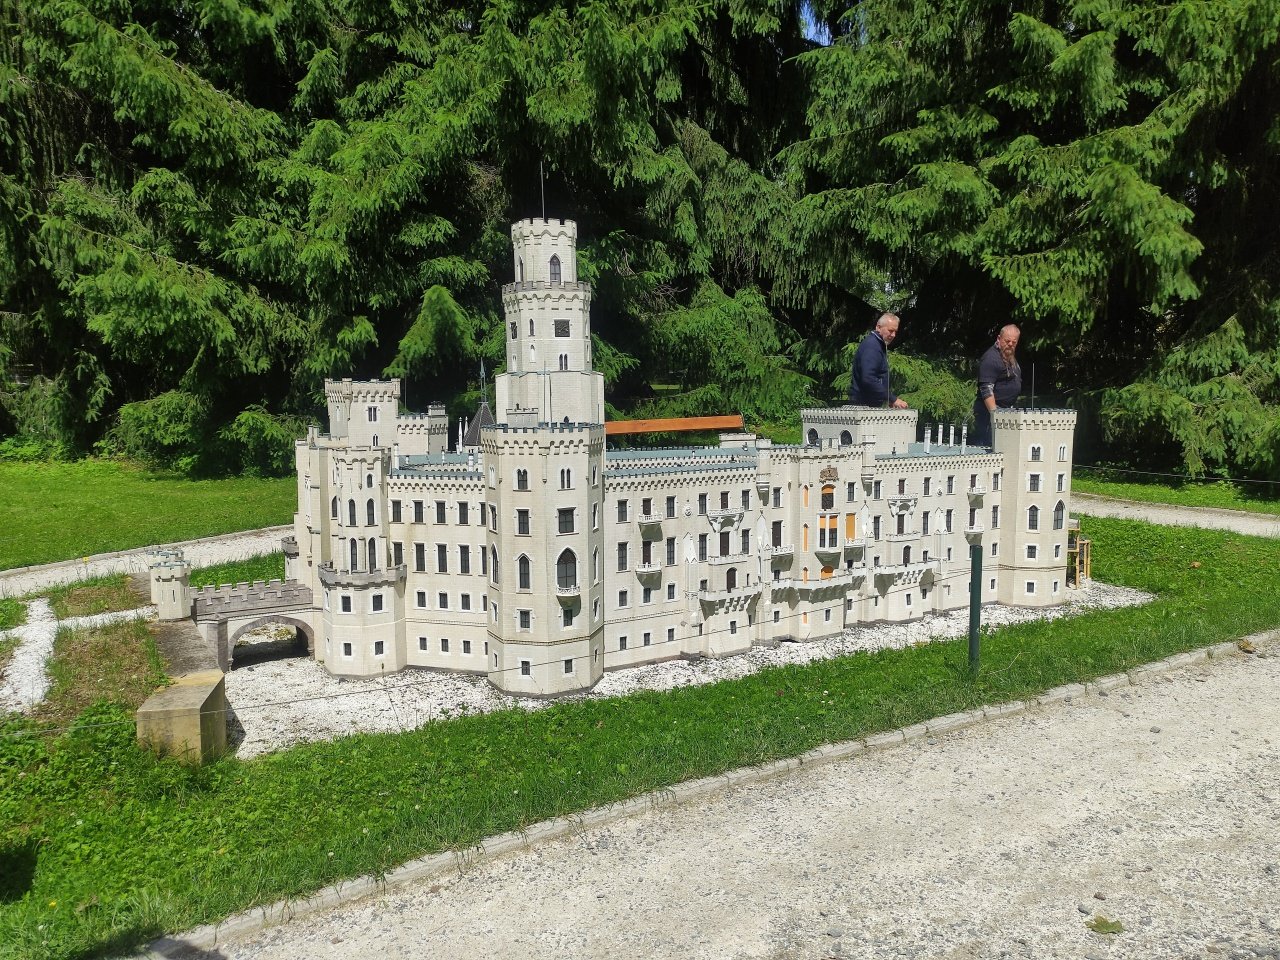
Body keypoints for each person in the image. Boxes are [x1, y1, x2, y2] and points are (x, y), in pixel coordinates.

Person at [972, 324, 1022, 446]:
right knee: (989, 450)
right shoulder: (991, 359)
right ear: (999, 339)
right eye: (1007, 341)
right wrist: (996, 417)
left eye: (1014, 342)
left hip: (1005, 411)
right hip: (989, 416)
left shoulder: (1008, 355)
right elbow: (986, 390)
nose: (1010, 344)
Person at [848, 312, 908, 409]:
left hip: (868, 404)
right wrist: (892, 399)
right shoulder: (872, 346)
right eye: (890, 331)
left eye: (895, 331)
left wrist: (887, 399)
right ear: (878, 327)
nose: (893, 335)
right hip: (863, 406)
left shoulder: (878, 344)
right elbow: (868, 378)